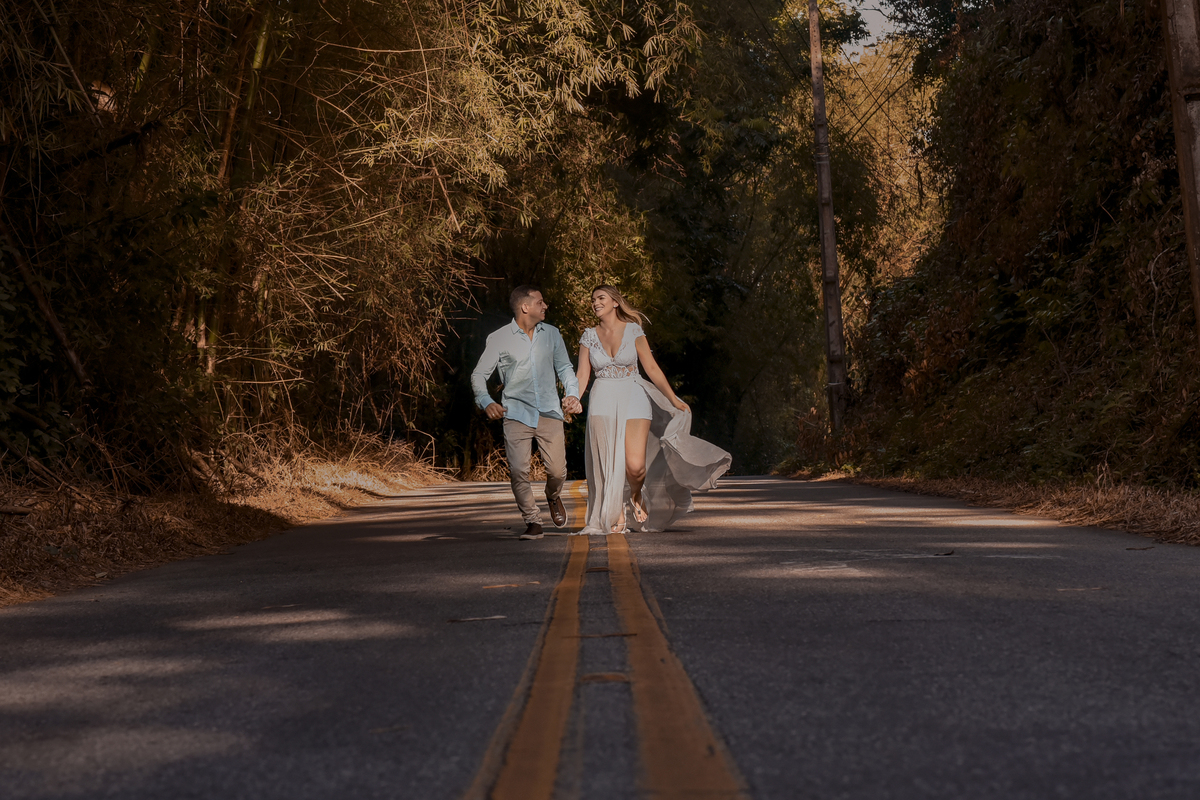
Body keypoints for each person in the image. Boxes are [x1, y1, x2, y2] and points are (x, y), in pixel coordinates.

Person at [575, 285, 731, 534]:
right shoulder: (588, 336)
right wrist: (574, 397)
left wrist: (672, 399)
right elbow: (582, 375)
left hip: (634, 395)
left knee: (635, 467)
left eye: (600, 298)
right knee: (607, 465)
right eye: (593, 299)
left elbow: (652, 368)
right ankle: (615, 514)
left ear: (615, 302)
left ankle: (635, 496)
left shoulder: (634, 330)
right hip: (602, 398)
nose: (595, 303)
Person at [471, 286, 583, 540]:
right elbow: (479, 374)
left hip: (550, 411)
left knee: (557, 471)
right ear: (525, 307)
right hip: (515, 413)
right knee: (518, 471)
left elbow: (565, 368)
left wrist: (572, 394)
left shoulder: (552, 334)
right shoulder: (498, 338)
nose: (545, 306)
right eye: (540, 302)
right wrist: (486, 401)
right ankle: (532, 521)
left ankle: (553, 496)